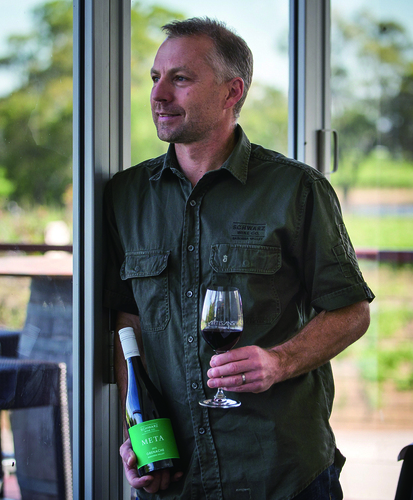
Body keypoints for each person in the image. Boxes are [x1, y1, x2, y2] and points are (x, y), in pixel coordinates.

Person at [103, 17, 374, 500]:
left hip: (280, 472)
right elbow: (128, 324)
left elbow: (352, 311)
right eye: (155, 78)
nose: (158, 95)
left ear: (232, 92)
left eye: (180, 79)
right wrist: (138, 435)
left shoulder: (296, 189)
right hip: (176, 474)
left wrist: (280, 361)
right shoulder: (125, 196)